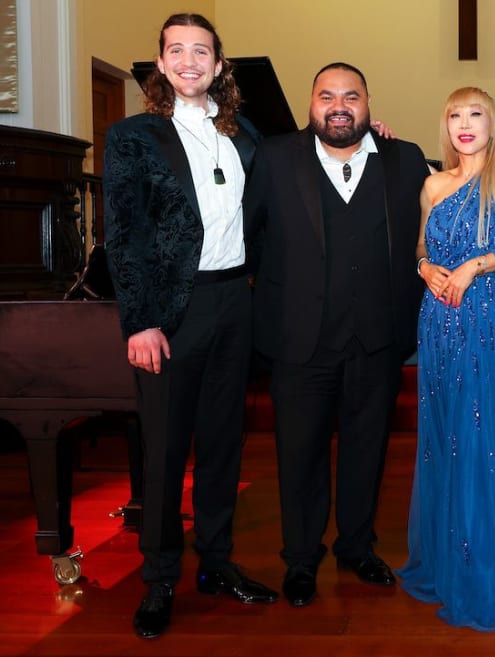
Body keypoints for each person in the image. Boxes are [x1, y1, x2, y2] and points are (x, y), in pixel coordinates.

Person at [104, 13, 278, 639]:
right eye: (175, 50)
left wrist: (372, 138)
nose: (188, 60)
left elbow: (296, 172)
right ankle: (159, 579)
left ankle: (218, 562)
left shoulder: (248, 136)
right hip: (171, 313)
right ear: (160, 62)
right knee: (165, 450)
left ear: (219, 65)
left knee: (224, 444)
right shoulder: (133, 137)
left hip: (237, 302)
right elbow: (122, 236)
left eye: (200, 51)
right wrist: (141, 322)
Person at [245, 62, 429, 607]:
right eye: (327, 95)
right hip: (299, 341)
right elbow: (248, 236)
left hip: (378, 338)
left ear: (369, 105)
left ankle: (356, 545)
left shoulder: (406, 159)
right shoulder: (275, 158)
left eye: (351, 95)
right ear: (311, 104)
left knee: (366, 452)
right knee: (298, 455)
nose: (339, 105)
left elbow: (438, 224)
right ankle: (301, 558)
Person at [397, 87, 495, 631]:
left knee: (483, 433)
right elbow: (421, 245)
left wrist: (473, 266)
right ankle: (449, 560)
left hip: (486, 319)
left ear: (493, 125)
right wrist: (426, 268)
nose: (465, 124)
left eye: (476, 115)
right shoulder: (432, 184)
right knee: (445, 435)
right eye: (455, 115)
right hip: (437, 320)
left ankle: (486, 563)